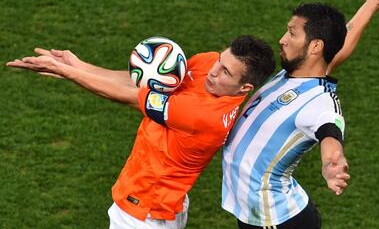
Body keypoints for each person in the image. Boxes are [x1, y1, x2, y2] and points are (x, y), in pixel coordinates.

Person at [7, 35, 276, 228]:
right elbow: (146, 82)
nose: (213, 72)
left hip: (143, 212)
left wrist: (66, 72)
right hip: (166, 205)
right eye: (220, 60)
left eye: (226, 72)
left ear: (244, 89)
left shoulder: (204, 115)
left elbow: (130, 96)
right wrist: (79, 66)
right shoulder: (207, 66)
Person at [221, 0, 379, 229]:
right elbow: (342, 42)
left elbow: (330, 135)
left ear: (315, 46)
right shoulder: (295, 72)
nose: (282, 39)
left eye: (291, 33)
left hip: (276, 220)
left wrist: (333, 163)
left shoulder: (320, 104)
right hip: (258, 211)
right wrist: (372, 2)